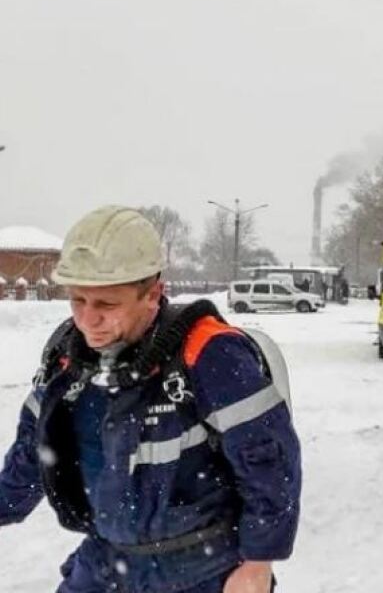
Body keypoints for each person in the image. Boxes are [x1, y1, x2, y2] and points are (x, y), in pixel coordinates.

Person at [0, 206, 301, 592]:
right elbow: (32, 453)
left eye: (107, 305)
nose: (88, 321)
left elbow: (271, 465)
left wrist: (258, 563)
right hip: (106, 563)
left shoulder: (209, 355)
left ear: (153, 293)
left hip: (202, 569)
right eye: (78, 301)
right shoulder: (67, 360)